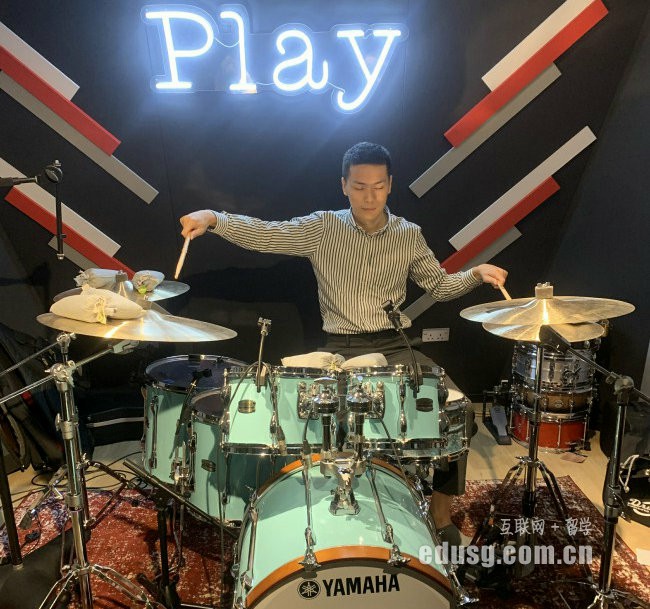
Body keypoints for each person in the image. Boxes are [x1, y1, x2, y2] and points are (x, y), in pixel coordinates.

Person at [180, 141, 508, 546]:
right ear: (344, 186)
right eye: (359, 187)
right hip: (339, 347)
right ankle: (313, 507)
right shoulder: (323, 227)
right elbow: (268, 234)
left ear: (390, 185)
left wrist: (475, 274)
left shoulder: (409, 235)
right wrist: (215, 218)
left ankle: (440, 516)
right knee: (299, 418)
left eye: (378, 186)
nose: (369, 197)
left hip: (393, 343)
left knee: (456, 412)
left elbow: (439, 286)